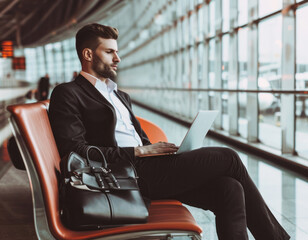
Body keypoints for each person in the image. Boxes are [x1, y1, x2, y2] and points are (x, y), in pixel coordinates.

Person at [49, 23, 290, 240]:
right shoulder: (68, 93)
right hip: (122, 176)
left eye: (117, 51)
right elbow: (75, 150)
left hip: (148, 168)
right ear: (88, 54)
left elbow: (137, 137)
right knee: (228, 158)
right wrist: (139, 151)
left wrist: (158, 153)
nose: (118, 58)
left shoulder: (119, 95)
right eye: (110, 52)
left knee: (229, 188)